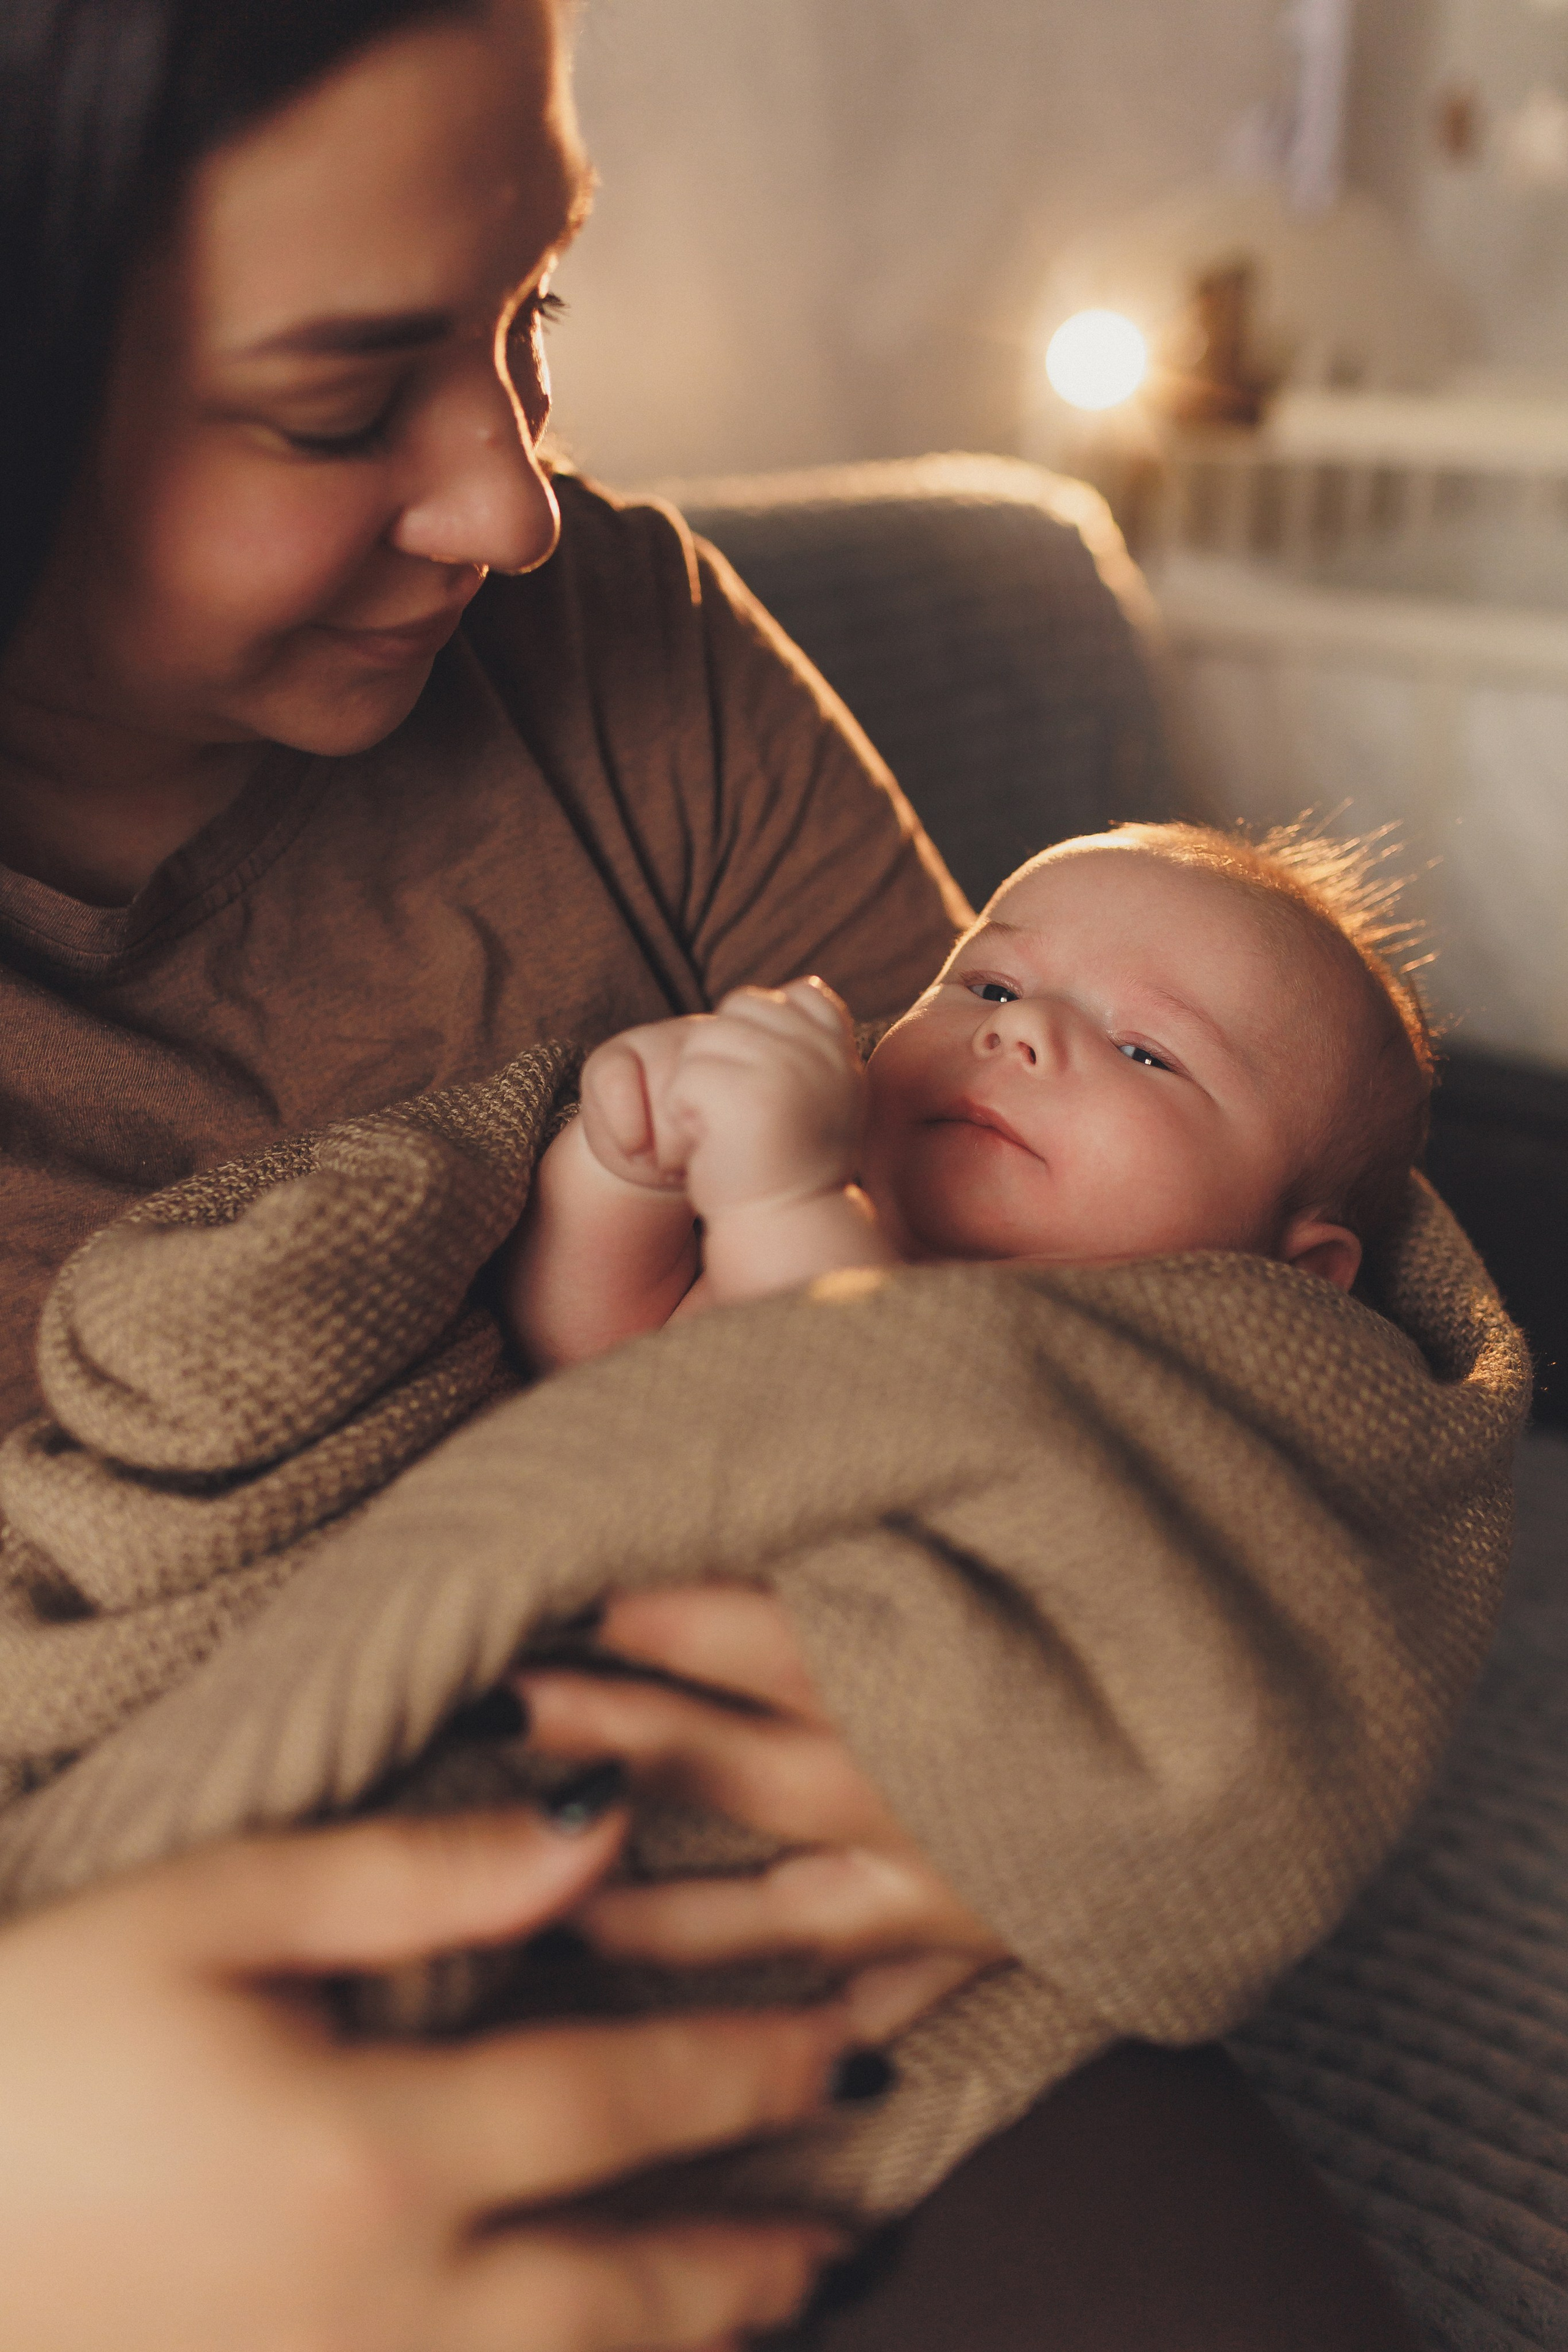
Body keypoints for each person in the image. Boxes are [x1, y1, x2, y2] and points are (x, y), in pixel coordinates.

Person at [0, 0, 1427, 2344]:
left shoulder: (626, 651)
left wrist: (1106, 1765)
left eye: (533, 313)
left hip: (786, 1968)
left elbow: (1128, 1297)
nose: (514, 506)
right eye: (338, 404)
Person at [509, 821, 1430, 1367]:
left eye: (1144, 1053)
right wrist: (625, 1163)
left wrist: (780, 1202)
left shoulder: (1131, 1374)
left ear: (1297, 1279)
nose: (1022, 1028)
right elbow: (584, 1357)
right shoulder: (825, 1209)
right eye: (992, 989)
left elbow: (854, 1416)